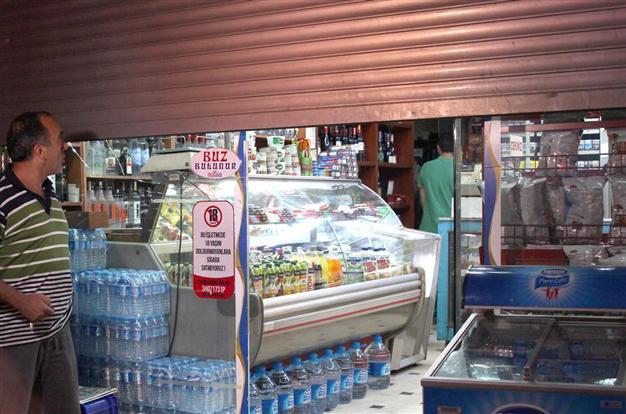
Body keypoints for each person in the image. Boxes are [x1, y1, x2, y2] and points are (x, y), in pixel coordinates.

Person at [0, 112, 79, 413]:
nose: (65, 145)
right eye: (60, 138)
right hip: (12, 337)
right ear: (40, 150)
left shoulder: (50, 194)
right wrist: (21, 301)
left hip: (56, 330)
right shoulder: (2, 198)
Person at [418, 133, 454, 233]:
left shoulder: (426, 167)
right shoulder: (459, 169)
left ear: (438, 148)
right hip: (451, 228)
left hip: (429, 227)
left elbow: (422, 199)